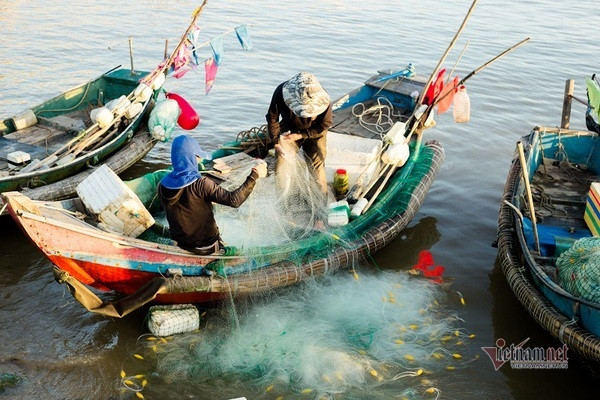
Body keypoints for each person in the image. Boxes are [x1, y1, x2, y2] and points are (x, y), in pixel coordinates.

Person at [158, 135, 266, 255]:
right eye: (197, 156)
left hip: (181, 244)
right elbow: (234, 200)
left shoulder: (162, 185)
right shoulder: (201, 184)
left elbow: (185, 205)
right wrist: (254, 176)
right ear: (191, 158)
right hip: (206, 247)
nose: (199, 160)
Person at [266, 71, 332, 198]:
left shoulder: (323, 98)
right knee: (282, 165)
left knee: (317, 167)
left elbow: (324, 125)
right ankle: (283, 200)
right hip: (289, 128)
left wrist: (301, 135)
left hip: (315, 131)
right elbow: (272, 117)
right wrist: (276, 143)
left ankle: (321, 203)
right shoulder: (281, 91)